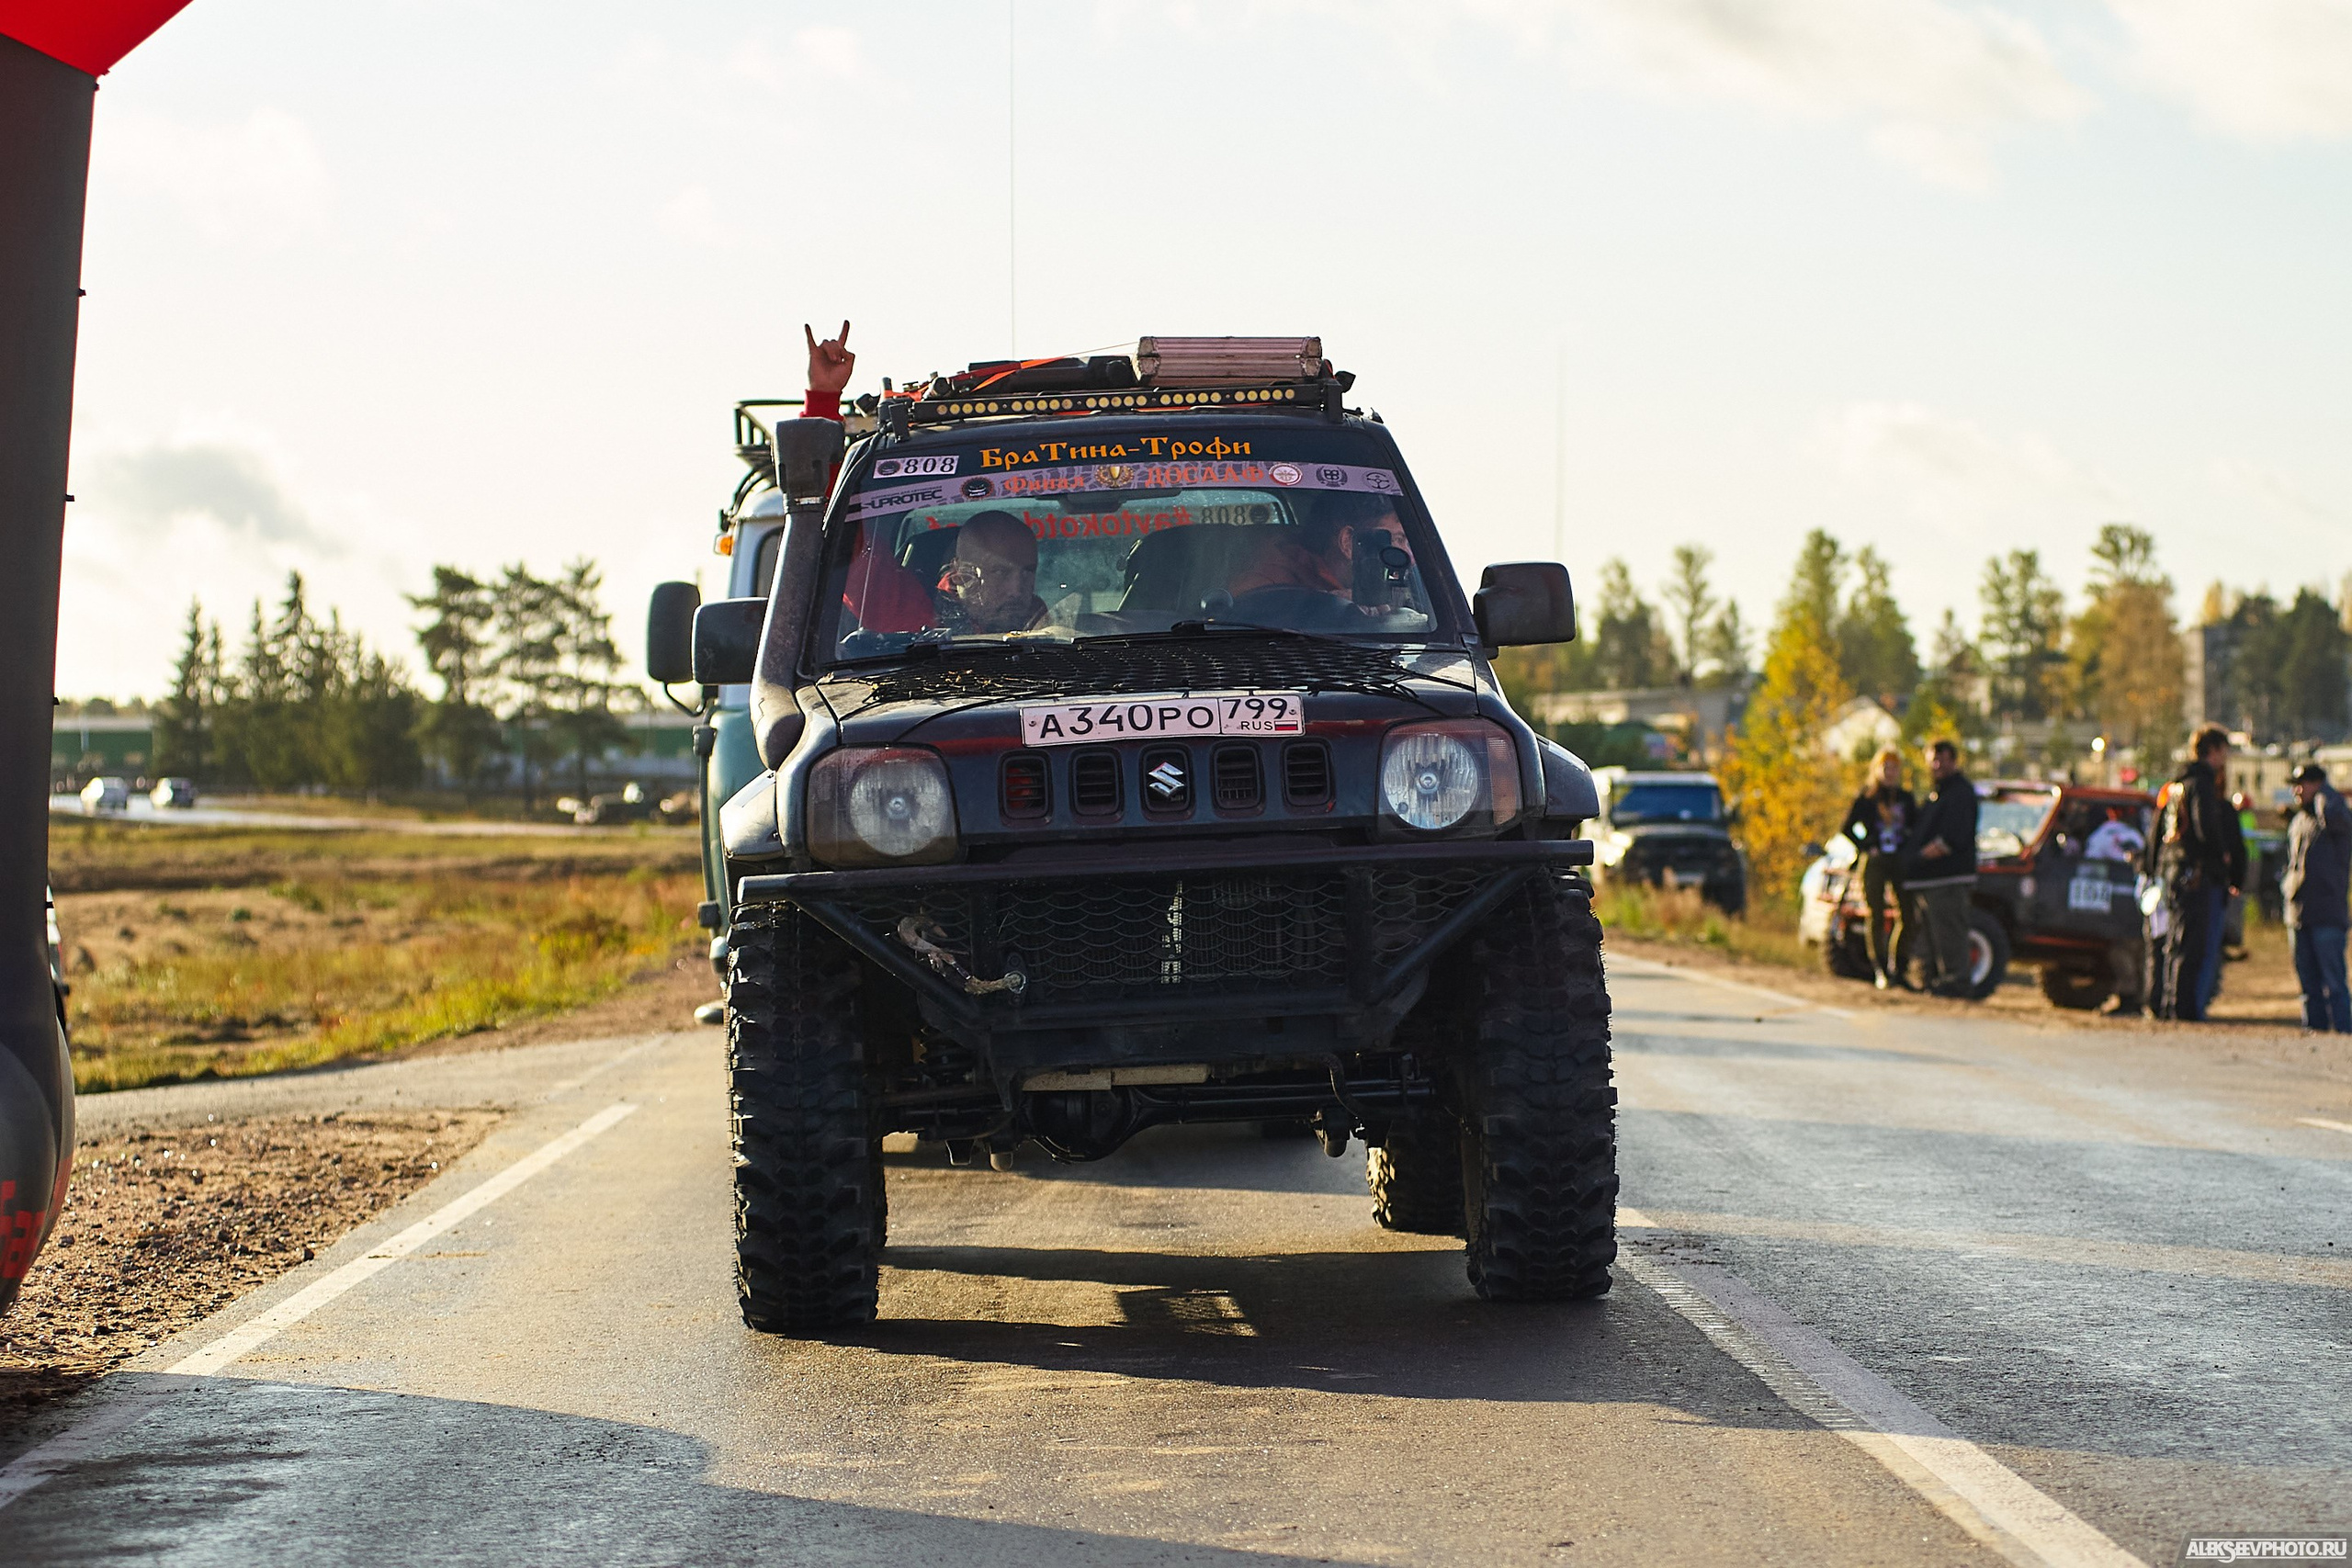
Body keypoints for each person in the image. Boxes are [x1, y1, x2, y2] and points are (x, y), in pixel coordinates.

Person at [2155, 723, 2245, 1022]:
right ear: (2214, 750)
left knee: (2175, 943)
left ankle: (2169, 1003)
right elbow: (2203, 825)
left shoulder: (2177, 784)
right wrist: (2221, 855)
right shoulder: (2201, 783)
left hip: (2175, 870)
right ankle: (2186, 1009)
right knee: (2193, 946)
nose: (2225, 759)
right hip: (2196, 874)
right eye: (2224, 752)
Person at [1225, 491, 1396, 629]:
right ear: (1348, 542)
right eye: (1396, 540)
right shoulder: (1267, 580)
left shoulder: (1377, 589)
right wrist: (1334, 609)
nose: (1410, 558)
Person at [1899, 739, 1979, 999]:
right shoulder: (1937, 793)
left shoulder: (1960, 793)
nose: (1937, 765)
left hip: (1948, 878)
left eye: (1942, 759)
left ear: (1954, 761)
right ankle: (1930, 979)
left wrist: (1918, 857)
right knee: (1928, 936)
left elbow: (1952, 839)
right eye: (1933, 759)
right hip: (1927, 880)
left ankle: (1956, 982)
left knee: (1949, 932)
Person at [1838, 747, 1916, 990]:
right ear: (1877, 769)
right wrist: (1866, 846)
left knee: (1908, 914)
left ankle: (1899, 967)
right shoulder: (1867, 798)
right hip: (1875, 860)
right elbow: (1846, 828)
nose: (1890, 772)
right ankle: (1880, 968)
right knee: (1876, 914)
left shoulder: (1905, 798)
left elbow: (1917, 827)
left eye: (1894, 768)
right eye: (1885, 767)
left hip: (1899, 860)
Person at [2282, 763, 2352, 1033]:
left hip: (2327, 912)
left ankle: (2343, 1030)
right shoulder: (2300, 820)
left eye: (2303, 784)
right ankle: (2315, 1029)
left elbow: (2337, 817)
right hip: (2299, 911)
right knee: (2307, 980)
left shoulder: (2333, 814)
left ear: (2318, 784)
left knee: (2333, 980)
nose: (2296, 791)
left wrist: (2324, 793)